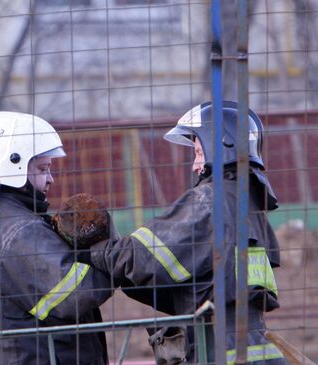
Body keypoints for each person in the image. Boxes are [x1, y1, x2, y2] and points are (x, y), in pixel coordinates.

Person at [85, 101, 286, 364]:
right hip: (255, 347)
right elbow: (202, 283)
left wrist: (94, 249)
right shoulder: (247, 205)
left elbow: (143, 259)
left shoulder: (211, 200)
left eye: (199, 153)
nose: (194, 165)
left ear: (222, 148)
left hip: (217, 350)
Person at [0, 112, 114, 364]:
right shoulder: (16, 229)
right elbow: (76, 295)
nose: (51, 179)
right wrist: (107, 254)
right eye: (43, 169)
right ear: (13, 166)